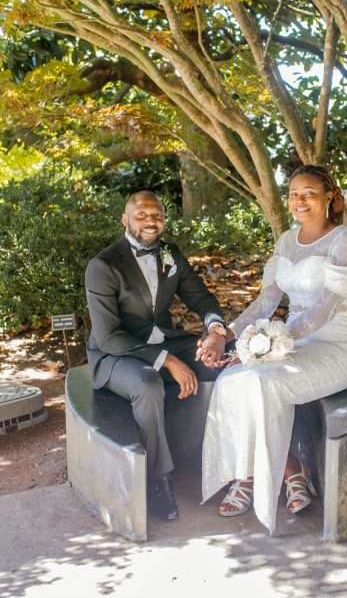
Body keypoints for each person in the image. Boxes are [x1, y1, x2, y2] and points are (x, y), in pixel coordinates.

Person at [202, 165, 347, 534]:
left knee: (264, 381)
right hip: (286, 340)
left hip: (335, 343)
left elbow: (322, 312)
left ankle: (281, 473)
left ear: (329, 197)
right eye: (294, 193)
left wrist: (268, 343)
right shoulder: (285, 242)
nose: (299, 200)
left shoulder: (344, 241)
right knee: (232, 378)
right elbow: (264, 304)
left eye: (309, 193)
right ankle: (254, 473)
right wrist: (226, 334)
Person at [85, 190, 227, 522]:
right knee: (148, 385)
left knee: (226, 362)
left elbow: (201, 298)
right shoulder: (103, 265)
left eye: (157, 214)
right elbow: (108, 336)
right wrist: (168, 360)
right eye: (142, 215)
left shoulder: (170, 253)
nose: (151, 221)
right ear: (125, 219)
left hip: (164, 339)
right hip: (116, 354)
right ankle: (158, 479)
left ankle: (226, 464)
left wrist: (216, 330)